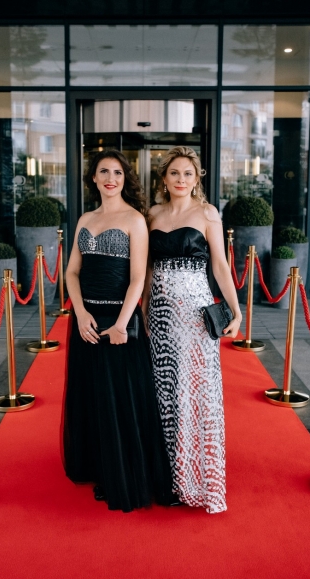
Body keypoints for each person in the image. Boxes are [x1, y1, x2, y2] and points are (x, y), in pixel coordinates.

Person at [62, 149, 173, 513]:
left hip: (119, 321)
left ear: (125, 179)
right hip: (86, 321)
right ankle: (98, 466)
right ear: (93, 178)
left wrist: (122, 324)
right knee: (92, 395)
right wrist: (80, 313)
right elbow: (72, 272)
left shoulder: (134, 220)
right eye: (104, 172)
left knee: (118, 399)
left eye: (118, 173)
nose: (111, 178)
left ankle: (121, 474)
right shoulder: (85, 218)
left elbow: (138, 278)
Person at [141, 146, 242, 513]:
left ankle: (196, 478)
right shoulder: (152, 214)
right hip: (161, 313)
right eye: (174, 173)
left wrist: (236, 310)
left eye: (188, 173)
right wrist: (144, 307)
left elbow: (220, 266)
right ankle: (167, 476)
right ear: (164, 178)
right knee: (164, 390)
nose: (181, 179)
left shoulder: (207, 213)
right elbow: (147, 268)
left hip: (195, 316)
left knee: (194, 390)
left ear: (197, 178)